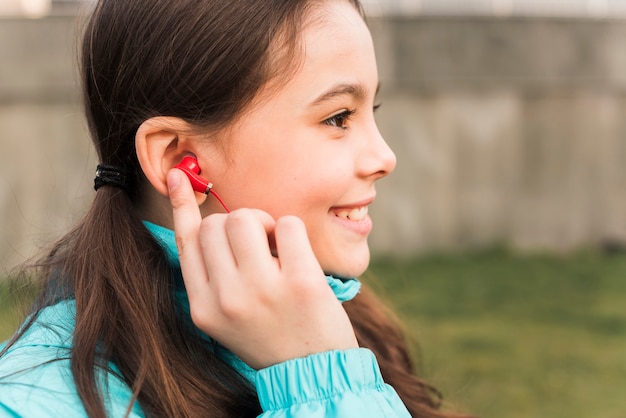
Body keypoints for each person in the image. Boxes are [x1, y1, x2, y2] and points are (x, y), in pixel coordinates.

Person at [0, 1, 471, 417]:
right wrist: (323, 383)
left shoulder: (344, 320)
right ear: (177, 160)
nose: (384, 158)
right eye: (338, 117)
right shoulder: (28, 404)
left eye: (373, 110)